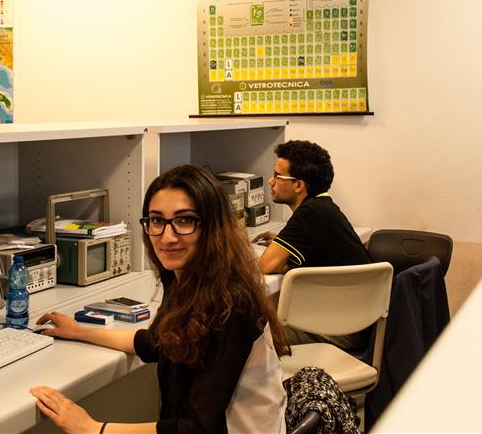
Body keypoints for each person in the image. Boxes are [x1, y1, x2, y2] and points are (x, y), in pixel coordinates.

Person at [30, 165, 290, 434]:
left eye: (185, 220)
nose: (167, 237)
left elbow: (196, 429)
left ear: (212, 226)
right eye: (156, 220)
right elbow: (157, 343)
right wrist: (80, 331)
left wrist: (93, 429)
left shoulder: (232, 304)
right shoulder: (186, 279)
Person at [252, 140, 371, 349]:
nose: (271, 181)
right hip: (357, 322)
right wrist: (282, 247)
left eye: (278, 176)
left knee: (251, 328)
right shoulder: (324, 207)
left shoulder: (308, 213)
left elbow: (265, 266)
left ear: (299, 185)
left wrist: (279, 258)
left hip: (342, 332)